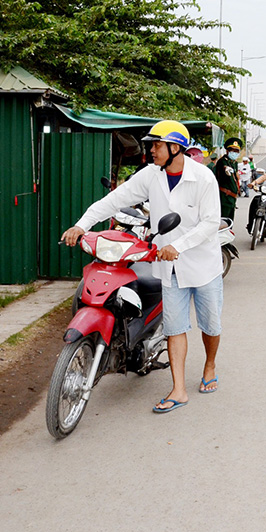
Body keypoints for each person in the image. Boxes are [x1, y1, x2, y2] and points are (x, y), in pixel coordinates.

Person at [61, 120, 223, 410]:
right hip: (168, 267)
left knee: (210, 325)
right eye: (151, 144)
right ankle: (179, 390)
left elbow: (211, 222)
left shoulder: (203, 178)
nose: (151, 150)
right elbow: (113, 200)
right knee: (175, 327)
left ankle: (209, 365)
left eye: (157, 145)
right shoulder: (150, 175)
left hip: (202, 264)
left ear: (175, 148)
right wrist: (81, 225)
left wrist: (179, 246)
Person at [214, 137, 243, 219]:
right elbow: (223, 167)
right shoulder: (223, 161)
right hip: (225, 197)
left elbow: (236, 175)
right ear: (227, 151)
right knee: (224, 220)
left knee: (230, 222)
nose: (235, 153)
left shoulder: (234, 163)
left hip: (232, 198)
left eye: (237, 151)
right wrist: (226, 169)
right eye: (232, 150)